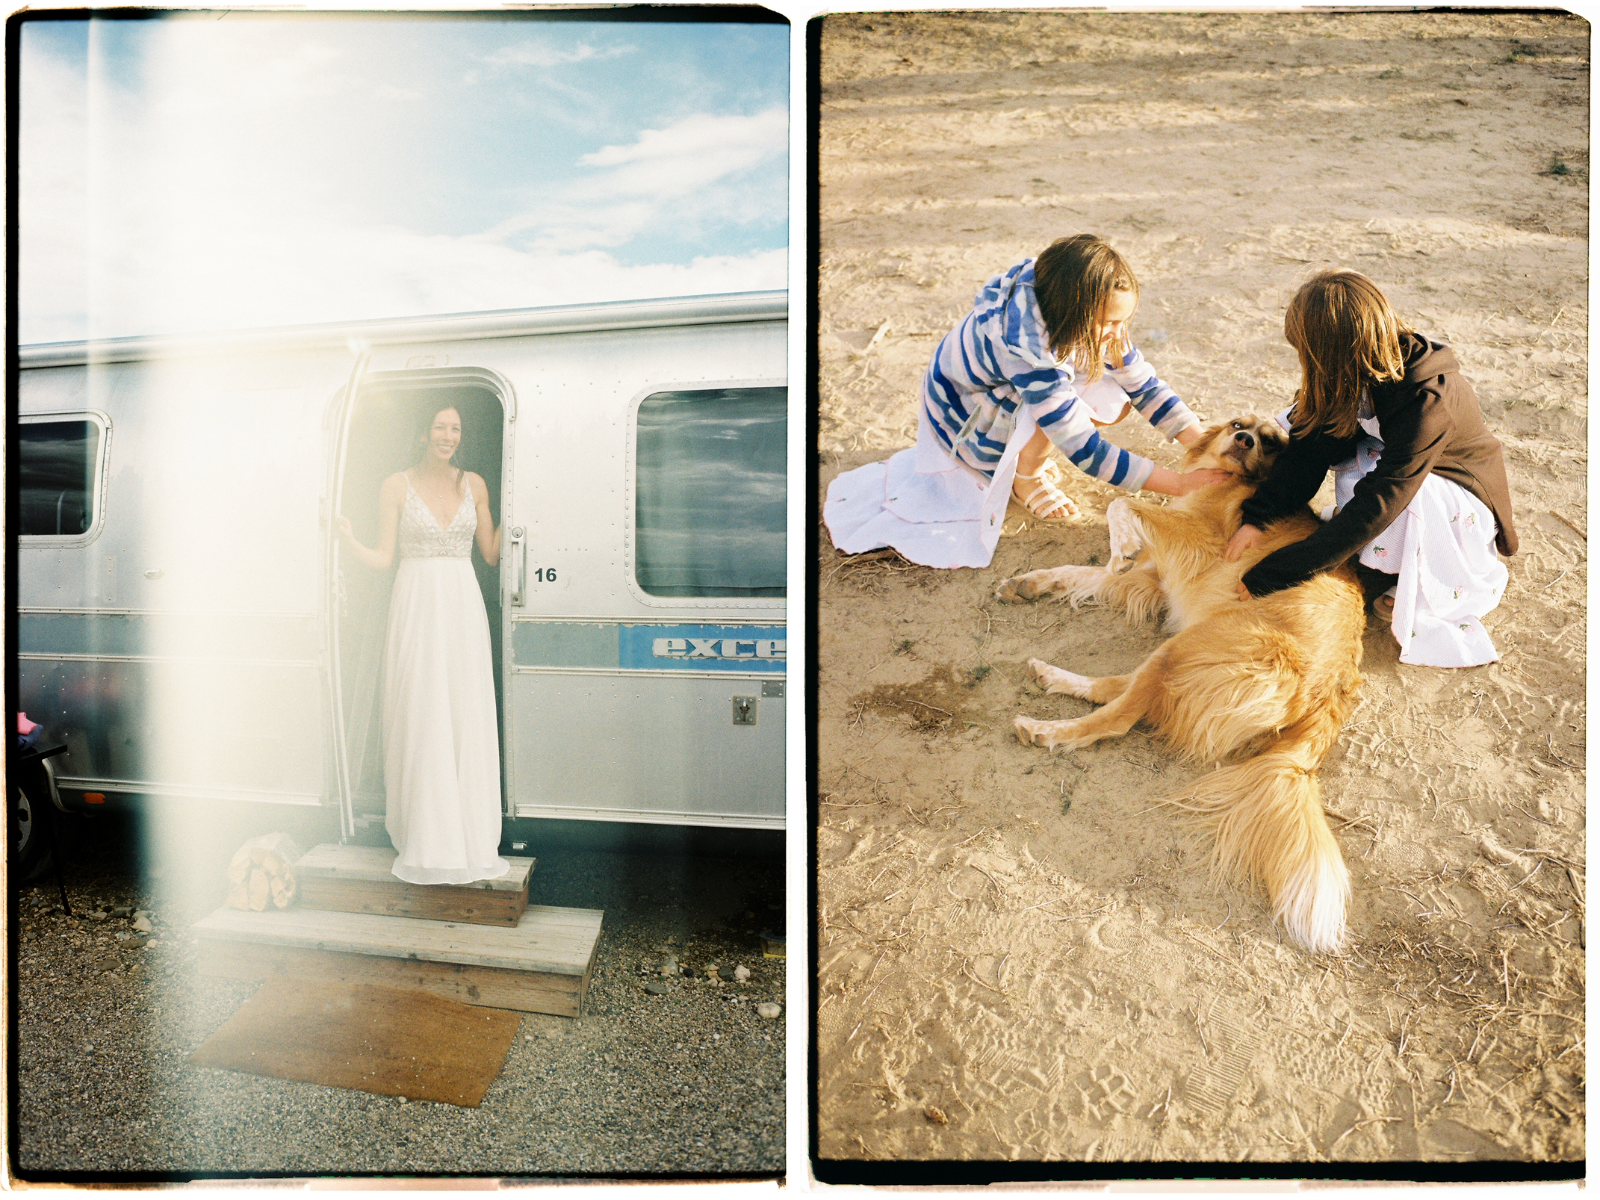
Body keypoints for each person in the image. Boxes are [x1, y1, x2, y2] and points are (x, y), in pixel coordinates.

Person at [824, 234, 1229, 569]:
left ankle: (1029, 460)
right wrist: (1177, 483)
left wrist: (1204, 446)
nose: (1118, 333)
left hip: (1003, 392)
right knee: (1064, 411)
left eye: (1125, 320)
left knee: (1115, 391)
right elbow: (1084, 448)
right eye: (1109, 323)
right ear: (1074, 311)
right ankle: (1026, 478)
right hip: (964, 417)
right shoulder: (1025, 350)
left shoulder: (1062, 299)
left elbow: (1143, 384)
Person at [1226, 270, 1518, 667]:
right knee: (1330, 439)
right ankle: (1379, 560)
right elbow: (1308, 450)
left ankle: (1401, 576)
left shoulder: (1427, 399)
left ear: (1331, 355)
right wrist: (1257, 519)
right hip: (1397, 472)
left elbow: (1384, 500)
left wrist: (1282, 572)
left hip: (1451, 494)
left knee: (1392, 496)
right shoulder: (1350, 375)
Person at [339, 406, 510, 884]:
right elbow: (383, 557)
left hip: (461, 605)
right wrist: (349, 540)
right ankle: (426, 832)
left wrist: (523, 525)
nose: (448, 436)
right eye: (440, 427)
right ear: (423, 433)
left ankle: (468, 834)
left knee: (460, 708)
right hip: (415, 603)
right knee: (421, 708)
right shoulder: (396, 485)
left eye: (456, 428)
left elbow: (492, 554)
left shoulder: (474, 484)